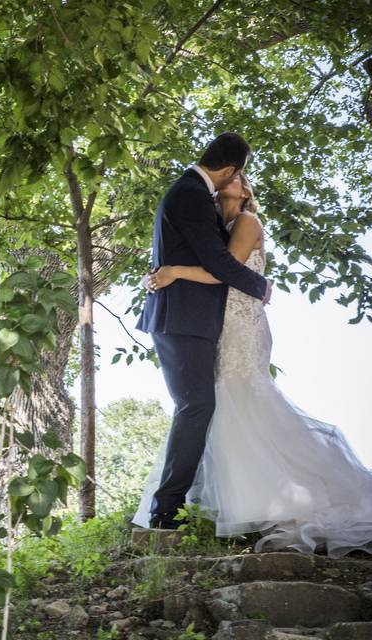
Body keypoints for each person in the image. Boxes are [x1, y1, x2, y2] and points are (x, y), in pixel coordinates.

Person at [131, 171, 372, 558]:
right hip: (216, 324)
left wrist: (173, 272)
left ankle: (270, 500)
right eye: (232, 173)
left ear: (246, 192)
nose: (233, 178)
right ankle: (227, 498)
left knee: (241, 397)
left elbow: (225, 271)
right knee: (219, 404)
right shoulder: (217, 225)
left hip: (242, 326)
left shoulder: (246, 221)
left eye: (240, 176)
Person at [135, 132, 271, 530]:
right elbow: (217, 263)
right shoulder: (192, 193)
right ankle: (166, 511)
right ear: (230, 169)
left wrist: (169, 271)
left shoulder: (195, 195)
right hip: (182, 320)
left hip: (197, 320)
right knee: (197, 406)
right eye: (237, 175)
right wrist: (261, 287)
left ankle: (187, 501)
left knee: (202, 406)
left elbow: (195, 258)